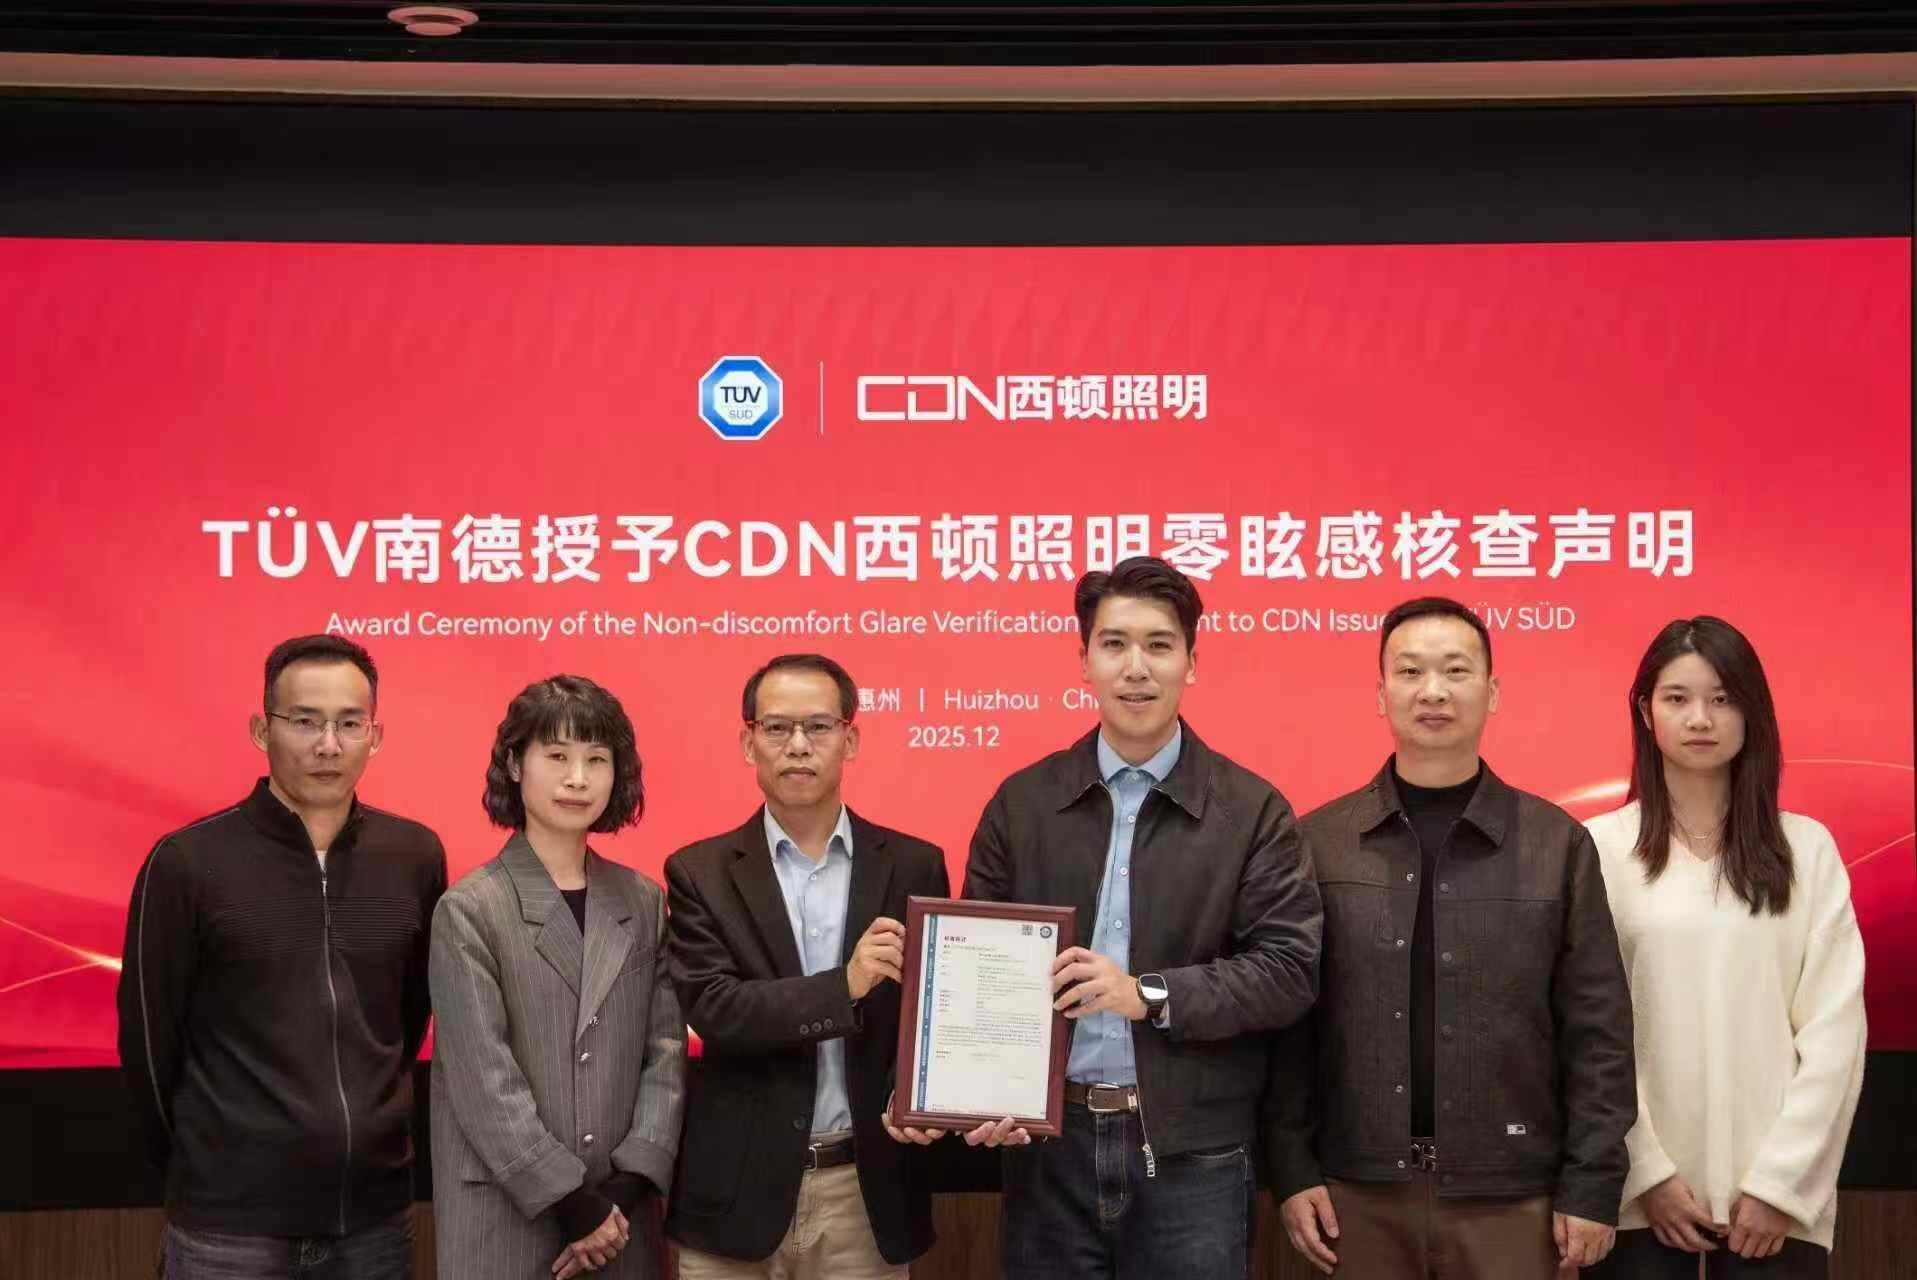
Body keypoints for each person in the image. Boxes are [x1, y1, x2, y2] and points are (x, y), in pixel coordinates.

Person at [963, 555, 1322, 1279]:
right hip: (1047, 1148)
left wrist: (1147, 994)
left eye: (1159, 645)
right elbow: (975, 967)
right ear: (1084, 661)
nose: (1136, 668)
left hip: (1195, 1153)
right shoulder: (1022, 803)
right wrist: (984, 1090)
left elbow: (1287, 972)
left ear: (1191, 662)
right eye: (1114, 644)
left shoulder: (1251, 811)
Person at [1271, 596, 1634, 1279]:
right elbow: (1290, 1026)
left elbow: (1598, 1031)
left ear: (1491, 692)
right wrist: (1291, 1169)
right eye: (1410, 672)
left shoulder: (1556, 845)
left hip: (1512, 1195)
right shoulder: (1318, 843)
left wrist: (1591, 1184)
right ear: (1380, 693)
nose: (1432, 691)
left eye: (1455, 670)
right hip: (1355, 1195)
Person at [118, 634, 446, 1278]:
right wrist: (204, 1166)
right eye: (304, 721)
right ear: (261, 730)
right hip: (228, 1228)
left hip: (374, 1222)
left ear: (375, 736)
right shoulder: (187, 862)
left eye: (349, 724)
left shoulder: (414, 856)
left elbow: (406, 1022)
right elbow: (151, 1045)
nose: (328, 745)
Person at [1584, 617, 1866, 1279]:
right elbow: (1585, 1035)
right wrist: (1646, 1174)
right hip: (1637, 1205)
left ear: (1751, 711)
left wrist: (1779, 1186)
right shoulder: (1597, 848)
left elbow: (1835, 1032)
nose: (1699, 719)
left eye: (1722, 698)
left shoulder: (1805, 850)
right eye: (1677, 698)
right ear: (1645, 711)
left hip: (1772, 1215)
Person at [663, 653, 953, 1279]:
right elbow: (716, 1010)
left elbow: (931, 1018)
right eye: (777, 728)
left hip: (865, 1194)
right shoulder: (698, 872)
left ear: (850, 739)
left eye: (818, 727)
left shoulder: (914, 865)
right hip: (735, 1195)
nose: (798, 745)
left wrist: (924, 1097)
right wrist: (845, 985)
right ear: (749, 743)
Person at [430, 675, 684, 1280]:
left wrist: (623, 1191)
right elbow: (482, 1078)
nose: (577, 778)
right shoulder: (470, 908)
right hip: (506, 1213)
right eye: (557, 756)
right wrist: (573, 1204)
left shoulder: (643, 899)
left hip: (620, 1220)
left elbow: (666, 1052)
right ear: (515, 765)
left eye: (596, 759)